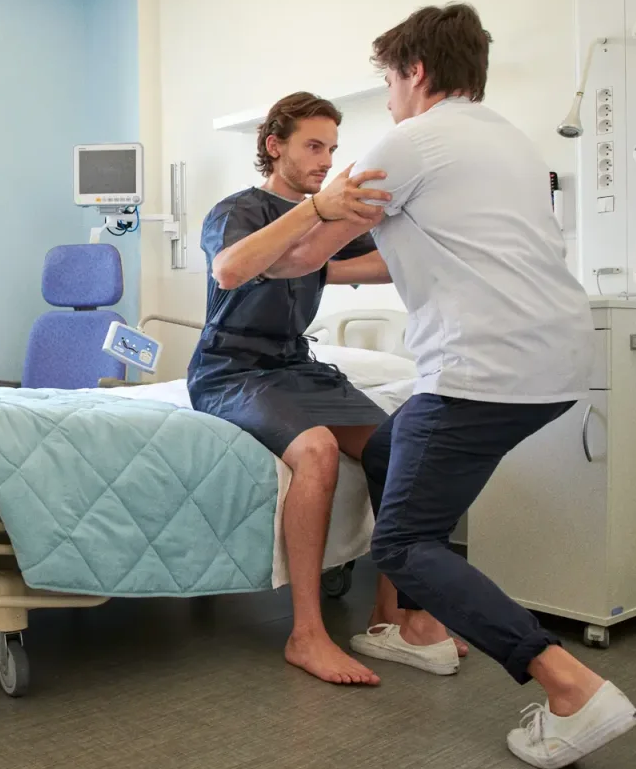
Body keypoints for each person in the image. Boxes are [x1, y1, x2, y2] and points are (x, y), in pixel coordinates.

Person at [255, 3, 636, 769]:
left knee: (405, 542)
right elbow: (405, 254)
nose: (389, 99)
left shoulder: (409, 140)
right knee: (393, 443)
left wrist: (271, 246)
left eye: (390, 82)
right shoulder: (510, 144)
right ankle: (417, 629)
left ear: (416, 72)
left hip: (482, 368)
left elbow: (297, 258)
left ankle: (569, 686)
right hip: (558, 363)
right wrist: (333, 258)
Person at [186, 91, 463, 687]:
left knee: (403, 444)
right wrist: (317, 212)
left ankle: (390, 615)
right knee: (315, 450)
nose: (324, 159)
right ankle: (306, 634)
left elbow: (381, 264)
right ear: (273, 146)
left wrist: (355, 239)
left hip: (295, 366)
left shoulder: (326, 218)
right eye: (313, 146)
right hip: (231, 368)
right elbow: (230, 270)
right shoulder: (237, 210)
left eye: (332, 148)